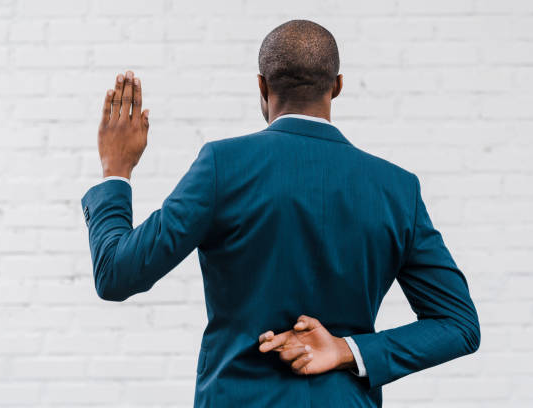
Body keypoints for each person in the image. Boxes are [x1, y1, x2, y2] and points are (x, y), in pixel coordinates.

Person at [81, 19, 480, 407]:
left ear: (261, 85)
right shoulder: (397, 188)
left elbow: (116, 274)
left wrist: (116, 171)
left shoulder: (224, 166)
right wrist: (346, 350)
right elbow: (458, 325)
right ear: (337, 86)